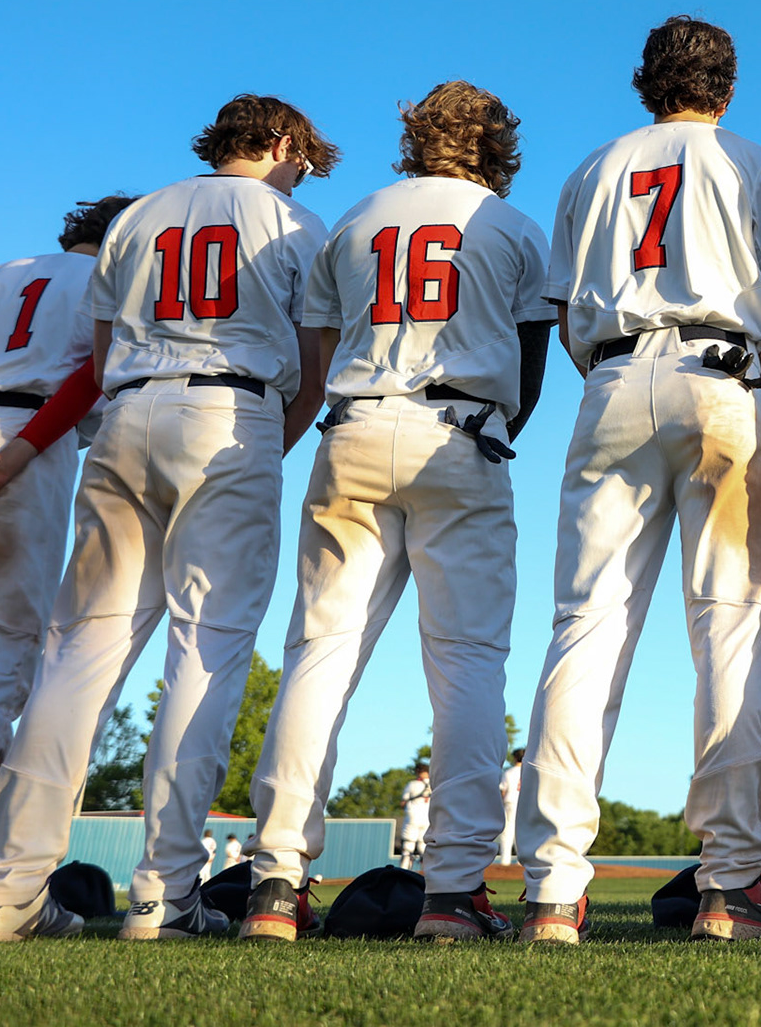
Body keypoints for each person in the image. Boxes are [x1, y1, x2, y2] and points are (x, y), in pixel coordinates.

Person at [0, 94, 334, 944]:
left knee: (75, 656)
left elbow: (101, 360)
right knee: (205, 650)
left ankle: (8, 886)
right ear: (282, 143)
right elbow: (315, 366)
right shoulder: (291, 219)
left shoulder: (136, 215)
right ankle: (163, 893)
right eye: (304, 158)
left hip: (128, 413)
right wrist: (267, 447)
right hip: (230, 411)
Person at [517, 15, 761, 945]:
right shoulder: (753, 160)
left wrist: (619, 373)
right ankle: (730, 881)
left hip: (611, 379)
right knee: (729, 630)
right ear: (725, 87)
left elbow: (566, 311)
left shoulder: (593, 167)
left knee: (586, 627)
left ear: (645, 83)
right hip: (718, 374)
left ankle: (550, 887)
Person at [240, 81, 555, 943]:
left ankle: (274, 882)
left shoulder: (354, 217)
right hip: (459, 432)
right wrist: (486, 431)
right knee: (466, 663)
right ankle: (454, 891)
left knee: (318, 654)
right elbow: (531, 368)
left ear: (414, 138)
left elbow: (320, 355)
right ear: (496, 145)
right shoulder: (511, 225)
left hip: (352, 426)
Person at [0, 194, 136, 790]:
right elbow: (95, 380)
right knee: (3, 654)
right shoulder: (108, 282)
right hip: (31, 442)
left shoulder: (3, 273)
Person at [400, 762, 433, 871]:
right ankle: (426, 871)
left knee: (408, 845)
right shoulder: (434, 784)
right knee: (423, 845)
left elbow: (403, 802)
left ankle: (404, 871)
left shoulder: (412, 784)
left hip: (413, 817)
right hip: (427, 818)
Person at [498, 748, 523, 866]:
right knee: (522, 832)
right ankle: (521, 861)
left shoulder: (509, 772)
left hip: (510, 803)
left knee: (507, 832)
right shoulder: (529, 771)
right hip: (524, 804)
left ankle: (505, 861)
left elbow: (503, 790)